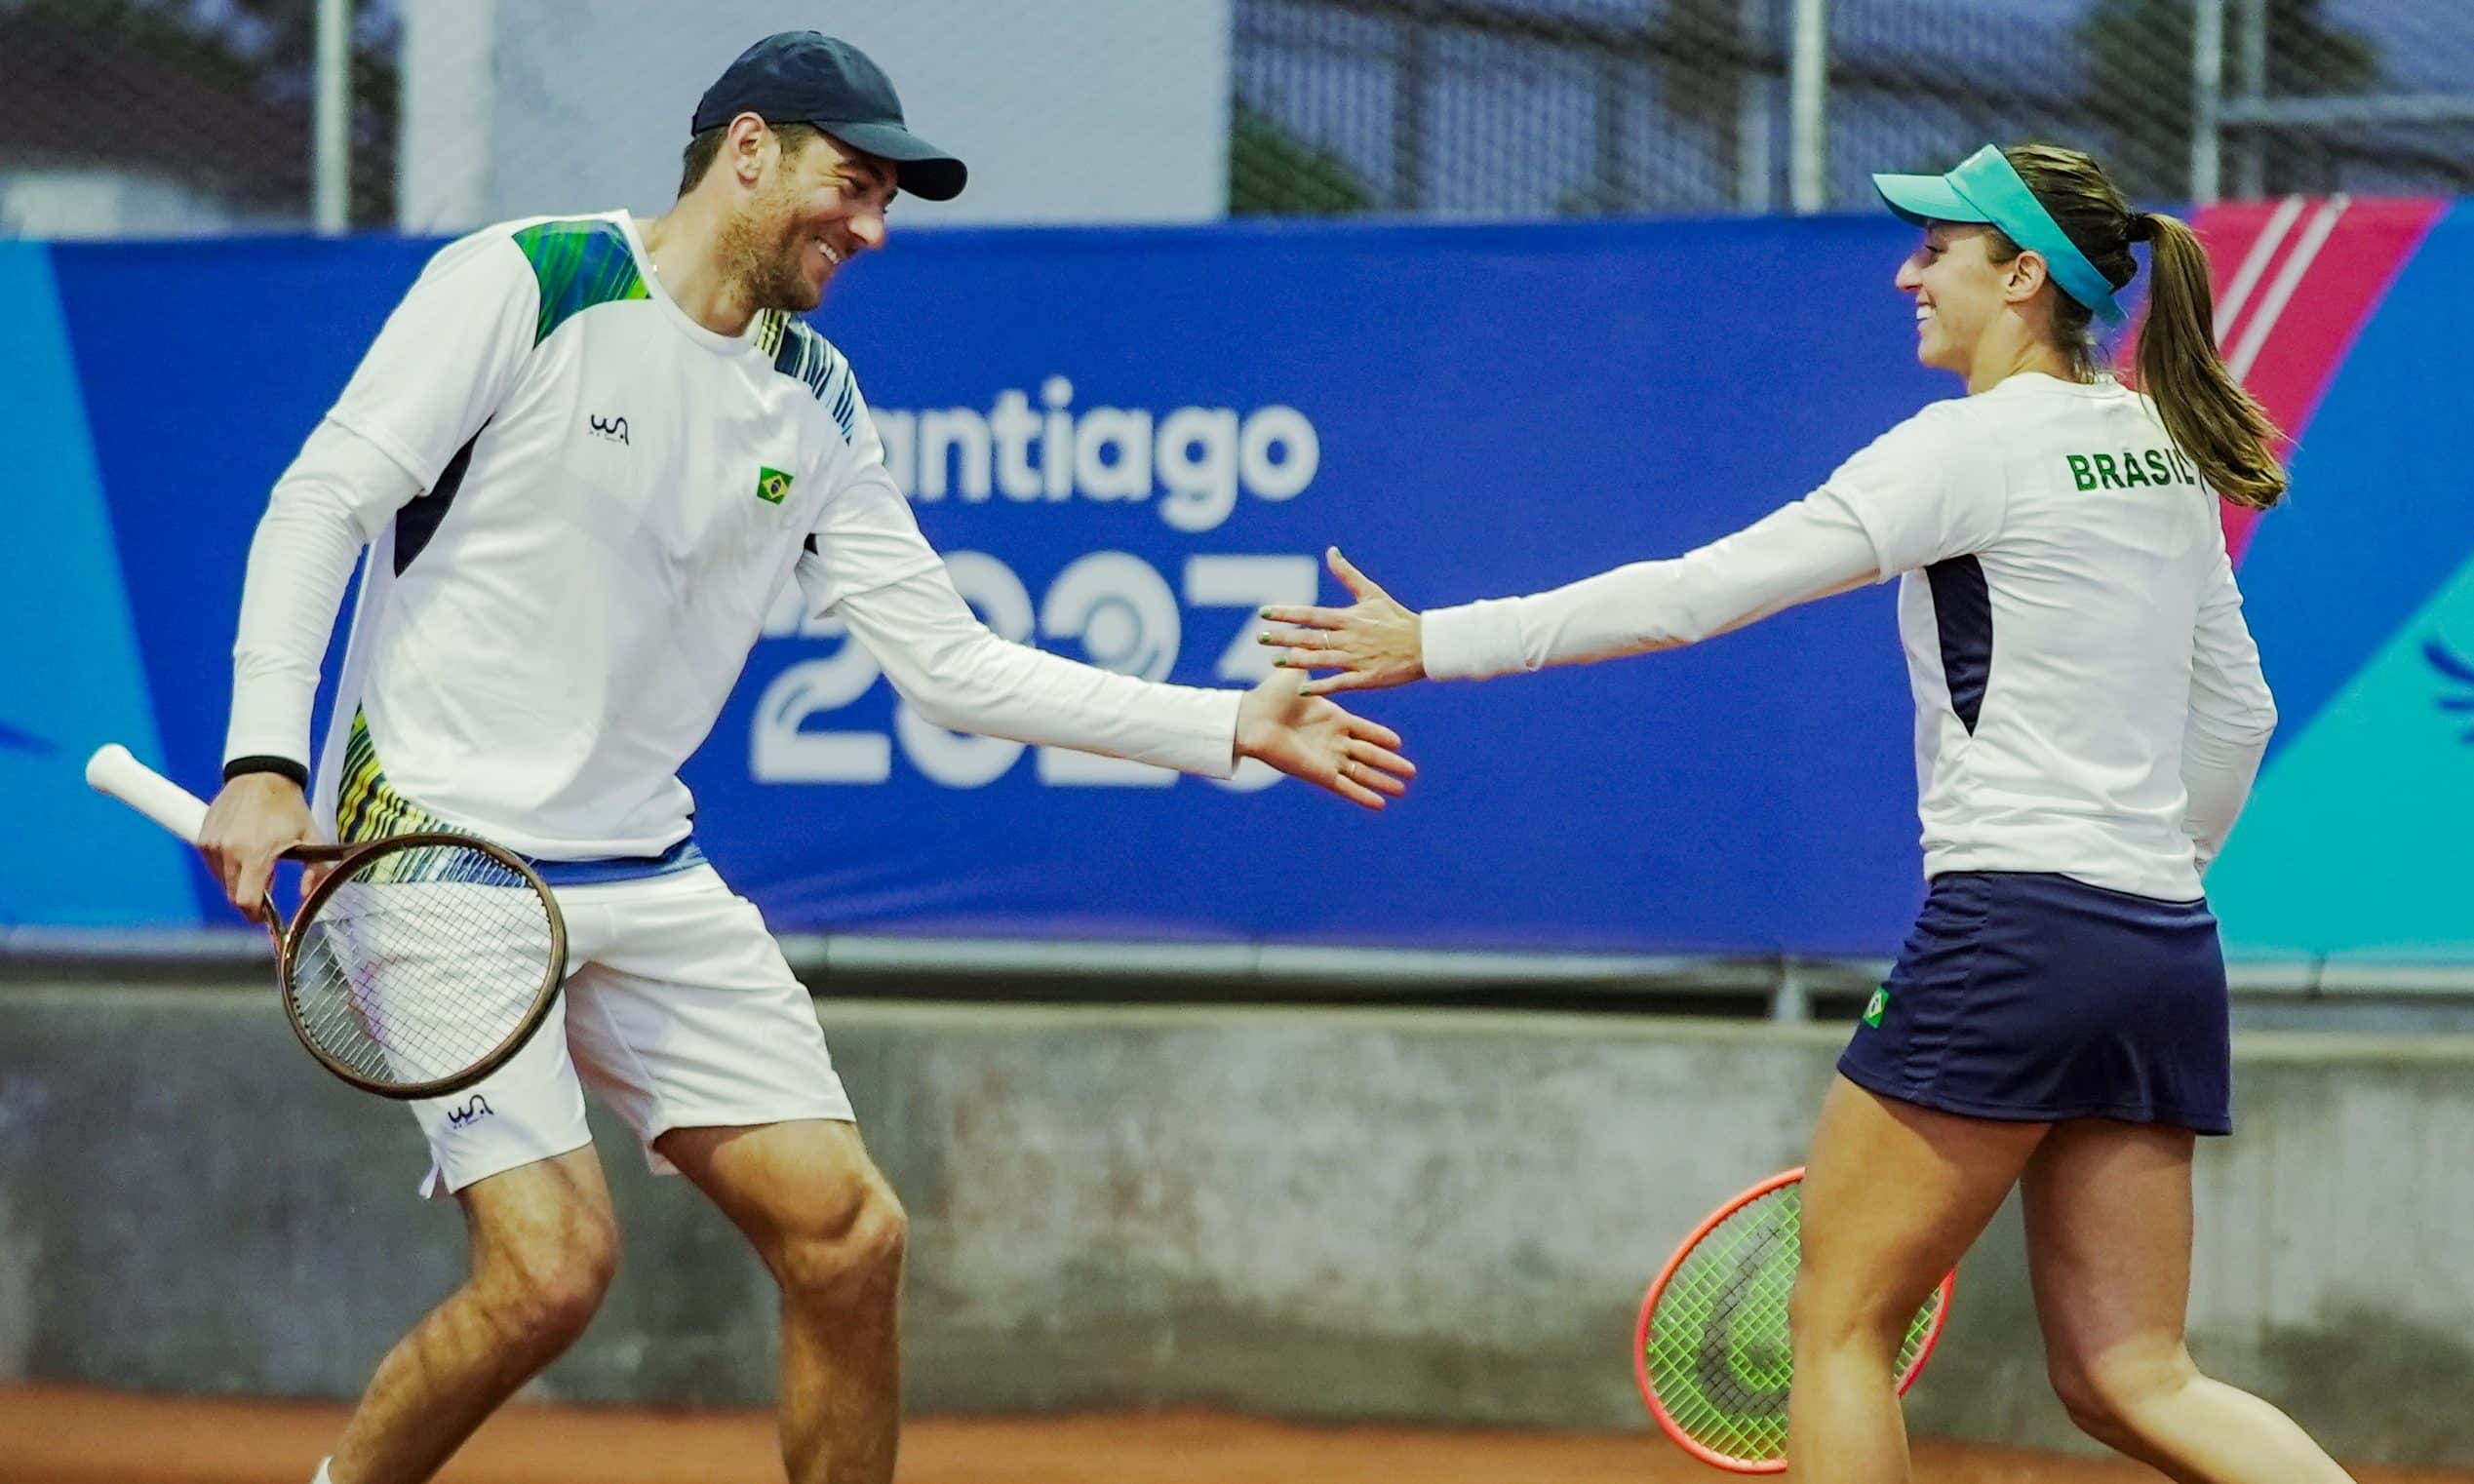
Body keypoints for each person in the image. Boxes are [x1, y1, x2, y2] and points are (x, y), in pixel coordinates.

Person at [198, 31, 1414, 1484]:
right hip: (440, 850)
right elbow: (322, 501)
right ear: (748, 150)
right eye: (853, 184)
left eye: (887, 200)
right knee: (549, 1273)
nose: (873, 228)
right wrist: (264, 760)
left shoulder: (816, 399)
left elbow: (950, 665)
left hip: (647, 865)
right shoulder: (529, 281)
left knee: (848, 1237)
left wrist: (1224, 723)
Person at [1259, 142, 2355, 1483]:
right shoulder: (2160, 453)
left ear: (2022, 276)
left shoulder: (1964, 447)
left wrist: (1435, 640)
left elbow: (1693, 595)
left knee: (1836, 1325)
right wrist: (2140, 882)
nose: (1906, 274)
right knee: (2137, 1374)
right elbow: (2238, 716)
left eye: (1937, 250)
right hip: (2160, 947)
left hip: (2015, 927)